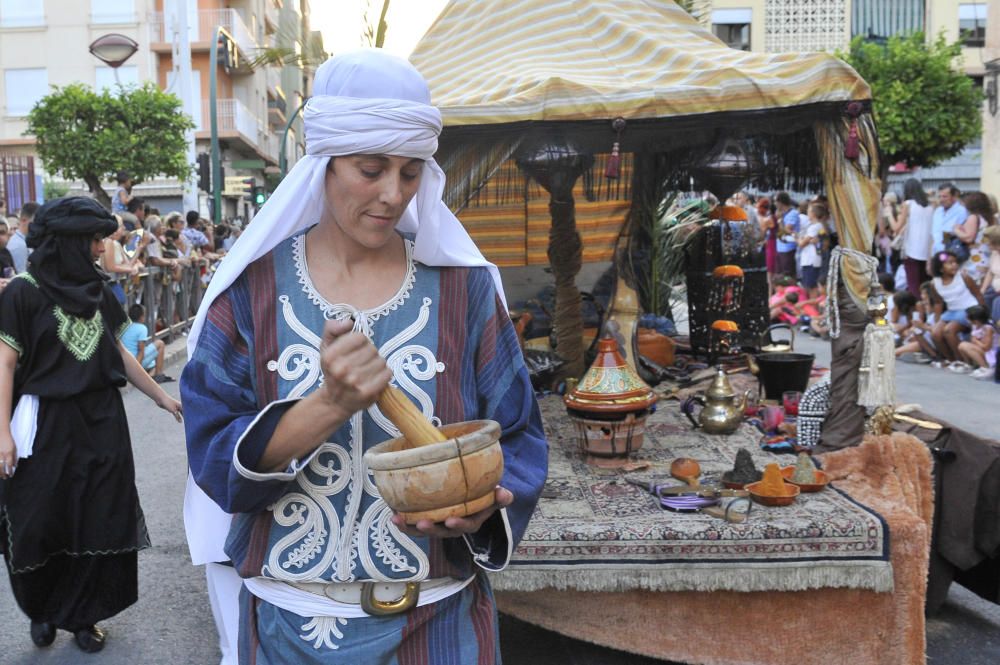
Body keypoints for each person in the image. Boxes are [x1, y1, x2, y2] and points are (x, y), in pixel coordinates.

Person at [179, 49, 547, 665]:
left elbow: (518, 439)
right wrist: (328, 404)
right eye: (371, 169)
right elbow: (212, 453)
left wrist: (480, 507)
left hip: (437, 624)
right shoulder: (251, 292)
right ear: (322, 164)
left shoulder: (466, 290)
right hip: (286, 629)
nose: (392, 194)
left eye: (410, 173)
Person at [0, 197, 183, 653]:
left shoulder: (99, 291)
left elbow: (120, 353)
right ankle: (41, 609)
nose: (103, 248)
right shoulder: (23, 291)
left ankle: (84, 618)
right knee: (39, 520)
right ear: (70, 243)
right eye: (95, 240)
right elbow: (4, 363)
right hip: (44, 424)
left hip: (102, 420)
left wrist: (160, 396)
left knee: (98, 518)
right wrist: (1, 430)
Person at [928, 250, 984, 367]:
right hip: (951, 312)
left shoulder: (964, 277)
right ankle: (951, 360)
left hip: (968, 310)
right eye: (949, 263)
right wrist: (937, 321)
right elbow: (938, 303)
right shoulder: (935, 283)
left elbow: (978, 294)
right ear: (940, 268)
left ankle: (963, 362)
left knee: (949, 331)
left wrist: (983, 314)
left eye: (955, 262)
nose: (954, 265)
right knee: (935, 332)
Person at [893, 178, 934, 298]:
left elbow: (896, 227)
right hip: (927, 251)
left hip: (911, 250)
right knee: (924, 284)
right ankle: (927, 311)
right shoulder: (930, 206)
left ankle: (916, 312)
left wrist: (889, 214)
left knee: (913, 285)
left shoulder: (908, 204)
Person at [121, 303, 172, 383]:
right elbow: (141, 350)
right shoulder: (142, 328)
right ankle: (159, 375)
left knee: (154, 363)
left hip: (124, 362)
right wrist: (135, 370)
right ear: (141, 317)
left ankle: (150, 376)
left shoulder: (124, 326)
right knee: (160, 343)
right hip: (134, 361)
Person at [955, 191, 996, 283]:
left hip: (974, 259)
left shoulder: (974, 217)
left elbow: (969, 238)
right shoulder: (993, 219)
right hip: (989, 258)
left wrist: (956, 230)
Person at [957, 305, 997, 380]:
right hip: (982, 349)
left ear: (976, 320)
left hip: (991, 353)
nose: (966, 319)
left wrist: (976, 341)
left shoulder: (988, 328)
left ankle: (986, 368)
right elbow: (972, 338)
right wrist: (975, 341)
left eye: (968, 318)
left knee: (966, 346)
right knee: (961, 345)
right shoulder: (975, 326)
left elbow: (986, 347)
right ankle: (969, 365)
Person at [797, 201, 827, 300]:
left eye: (809, 211)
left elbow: (802, 243)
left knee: (811, 286)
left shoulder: (814, 227)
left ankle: (813, 308)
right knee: (810, 285)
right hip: (812, 259)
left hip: (811, 260)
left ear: (813, 214)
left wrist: (796, 237)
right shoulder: (819, 226)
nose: (807, 213)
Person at [930, 183, 967, 256]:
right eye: (939, 196)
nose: (941, 199)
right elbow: (933, 235)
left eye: (945, 197)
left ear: (954, 197)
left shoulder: (962, 211)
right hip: (935, 253)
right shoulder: (938, 211)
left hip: (951, 253)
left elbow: (963, 234)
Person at [773, 192, 798, 278]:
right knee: (779, 275)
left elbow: (787, 230)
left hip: (789, 248)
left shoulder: (793, 213)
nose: (774, 204)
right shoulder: (782, 213)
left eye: (775, 201)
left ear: (780, 202)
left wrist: (779, 220)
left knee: (788, 276)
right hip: (780, 247)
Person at [7, 202, 37, 274]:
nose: (38, 225)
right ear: (24, 220)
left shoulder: (22, 241)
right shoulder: (19, 245)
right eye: (35, 221)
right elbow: (21, 276)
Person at [979, 225, 1000, 324]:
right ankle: (987, 326)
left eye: (988, 241)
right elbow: (990, 272)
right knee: (983, 297)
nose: (986, 243)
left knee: (997, 303)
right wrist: (983, 289)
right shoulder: (995, 253)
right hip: (995, 287)